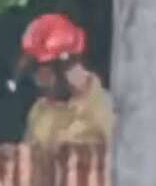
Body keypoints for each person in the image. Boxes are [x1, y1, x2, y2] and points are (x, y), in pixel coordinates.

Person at [15, 13, 113, 150]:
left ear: (66, 65)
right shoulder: (39, 111)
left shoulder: (104, 108)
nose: (38, 82)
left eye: (41, 70)